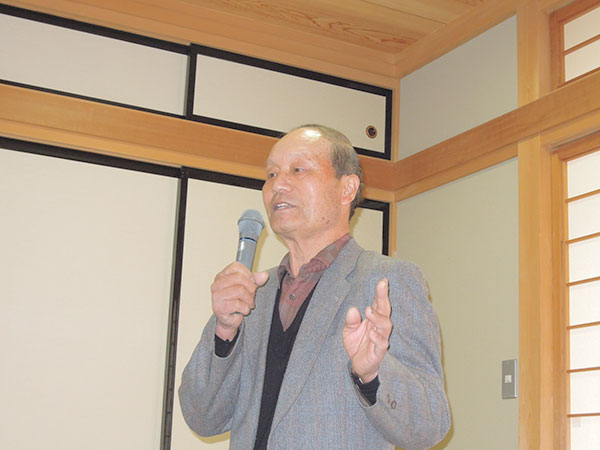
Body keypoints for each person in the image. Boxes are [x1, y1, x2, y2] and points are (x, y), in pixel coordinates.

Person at [179, 124, 450, 450]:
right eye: (271, 174)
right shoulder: (252, 294)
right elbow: (202, 418)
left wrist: (373, 373)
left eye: (298, 170)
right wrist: (224, 332)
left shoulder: (388, 281)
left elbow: (429, 427)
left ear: (347, 188)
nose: (278, 184)